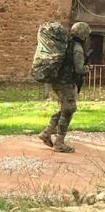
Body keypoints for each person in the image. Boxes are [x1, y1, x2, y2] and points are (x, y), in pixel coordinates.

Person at [39, 22, 91, 153]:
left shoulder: (66, 43)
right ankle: (59, 143)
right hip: (66, 83)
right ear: (83, 34)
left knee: (65, 108)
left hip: (57, 81)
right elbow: (79, 69)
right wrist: (87, 68)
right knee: (69, 109)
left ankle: (47, 132)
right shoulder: (77, 48)